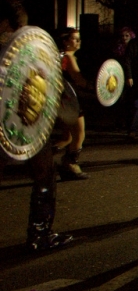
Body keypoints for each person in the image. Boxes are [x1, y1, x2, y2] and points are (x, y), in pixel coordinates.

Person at [0, 0, 73, 251]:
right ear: (5, 25)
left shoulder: (20, 50)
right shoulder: (10, 50)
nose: (20, 35)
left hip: (24, 124)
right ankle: (40, 234)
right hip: (15, 124)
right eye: (16, 28)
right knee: (44, 174)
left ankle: (41, 233)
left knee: (45, 171)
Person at [55, 28, 90, 179]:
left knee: (67, 137)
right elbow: (78, 80)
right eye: (75, 39)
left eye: (79, 38)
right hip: (69, 103)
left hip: (61, 101)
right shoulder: (68, 58)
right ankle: (70, 164)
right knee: (79, 135)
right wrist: (98, 87)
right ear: (65, 42)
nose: (78, 41)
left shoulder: (59, 56)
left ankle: (42, 158)